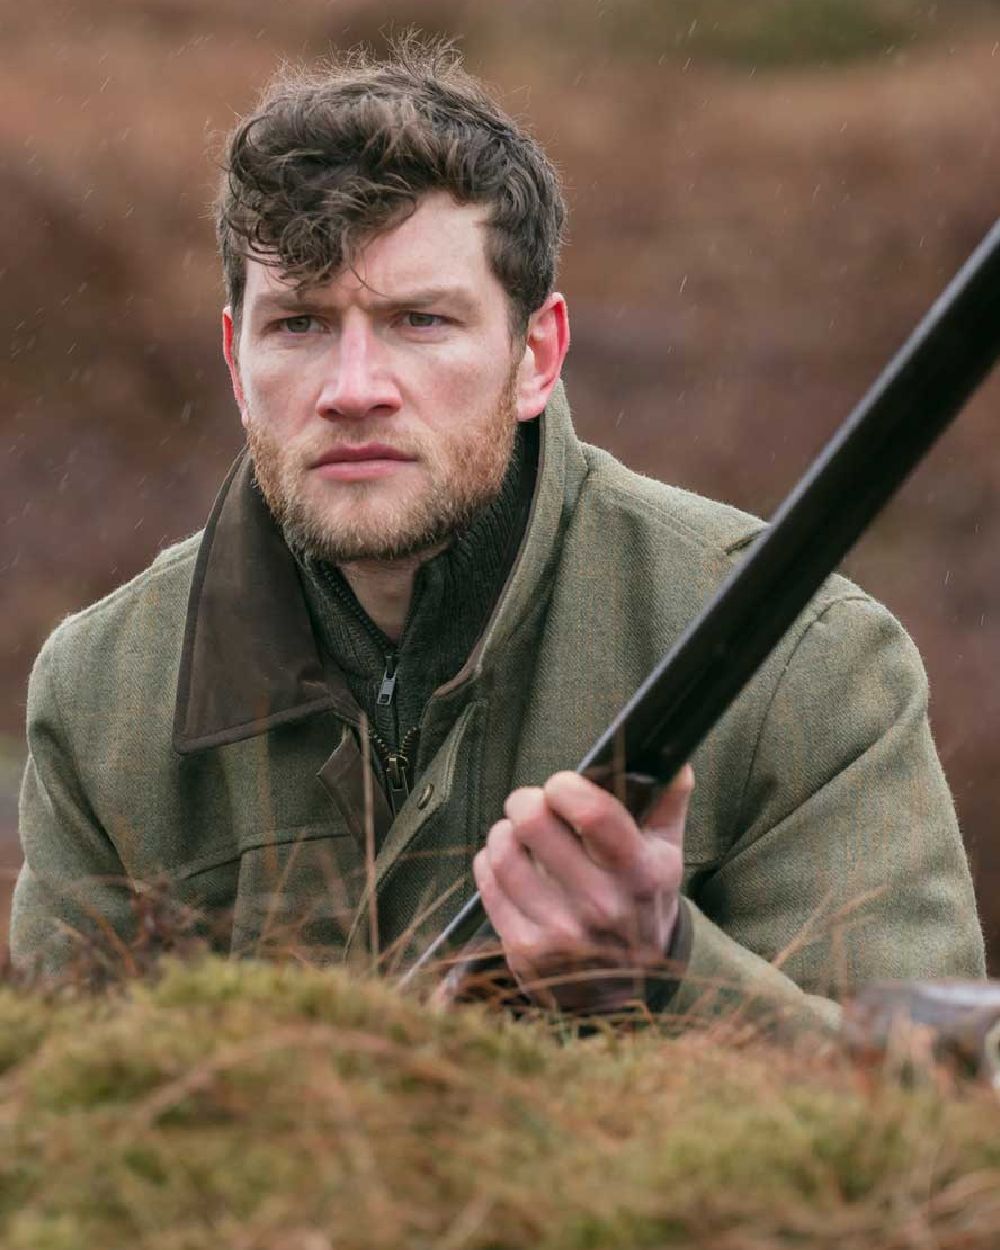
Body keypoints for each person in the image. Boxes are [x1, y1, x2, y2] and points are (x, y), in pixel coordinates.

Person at [10, 38, 985, 1025]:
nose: (354, 391)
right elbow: (54, 1124)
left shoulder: (806, 660)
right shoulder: (103, 694)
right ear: (234, 356)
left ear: (536, 353)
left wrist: (669, 970)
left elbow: (936, 1119)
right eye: (298, 326)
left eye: (419, 321)